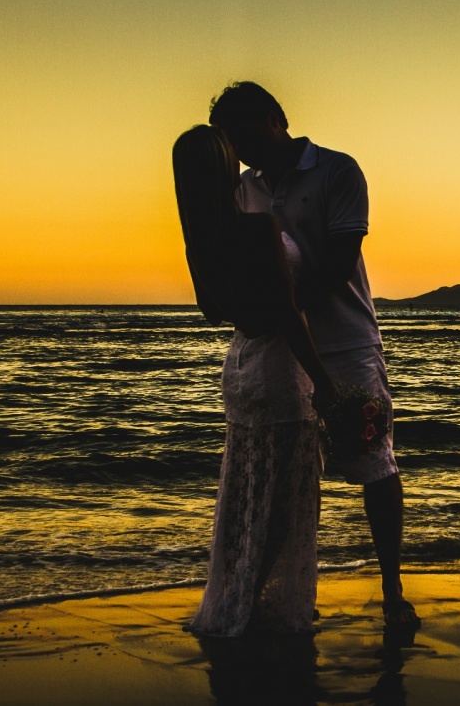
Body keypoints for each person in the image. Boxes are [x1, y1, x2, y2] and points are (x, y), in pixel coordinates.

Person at [208, 81, 419, 631]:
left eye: (248, 133)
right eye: (232, 140)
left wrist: (282, 302)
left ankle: (391, 587)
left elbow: (339, 262)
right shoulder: (243, 189)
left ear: (277, 119)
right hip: (278, 349)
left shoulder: (336, 171)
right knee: (281, 473)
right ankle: (259, 589)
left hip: (344, 339)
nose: (243, 148)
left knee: (371, 457)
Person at [173, 124, 340, 637]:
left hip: (239, 366)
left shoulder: (198, 242)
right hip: (275, 367)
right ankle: (253, 608)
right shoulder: (256, 227)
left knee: (245, 492)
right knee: (285, 500)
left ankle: (237, 597)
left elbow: (211, 312)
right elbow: (289, 315)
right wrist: (325, 384)